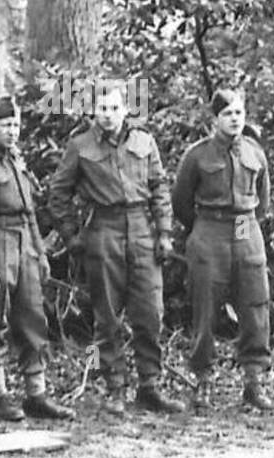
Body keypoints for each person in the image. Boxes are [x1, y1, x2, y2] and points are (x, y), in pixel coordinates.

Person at [48, 80, 184, 416]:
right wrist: (72, 236)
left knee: (150, 313)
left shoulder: (144, 141)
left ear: (125, 109)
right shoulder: (80, 146)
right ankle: (114, 387)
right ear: (93, 111)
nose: (108, 115)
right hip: (103, 230)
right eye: (102, 109)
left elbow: (159, 188)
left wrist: (164, 233)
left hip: (141, 229)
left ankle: (150, 385)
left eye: (114, 108)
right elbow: (58, 193)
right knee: (106, 317)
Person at [172, 89, 274, 413]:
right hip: (210, 228)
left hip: (245, 227)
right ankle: (203, 380)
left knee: (255, 304)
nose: (234, 119)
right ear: (215, 119)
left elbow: (263, 200)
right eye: (228, 113)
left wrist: (248, 227)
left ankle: (253, 382)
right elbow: (181, 201)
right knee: (205, 308)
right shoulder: (197, 155)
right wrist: (201, 230)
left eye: (239, 113)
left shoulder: (255, 152)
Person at [0, 96, 74, 421]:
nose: (12, 131)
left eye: (16, 125)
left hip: (25, 246)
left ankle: (36, 394)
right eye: (5, 125)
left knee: (33, 318)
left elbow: (30, 211)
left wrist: (40, 253)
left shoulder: (16, 161)